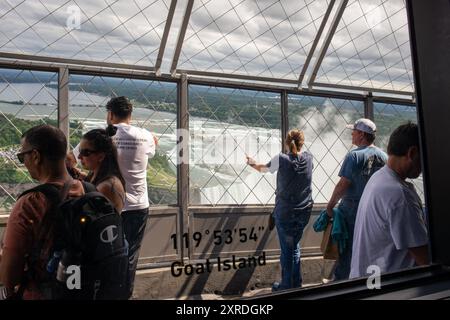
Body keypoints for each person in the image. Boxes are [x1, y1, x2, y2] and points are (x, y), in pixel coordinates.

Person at [0, 125, 84, 299]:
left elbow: (9, 276)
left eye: (22, 157)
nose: (23, 162)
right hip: (82, 288)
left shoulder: (31, 203)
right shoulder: (88, 191)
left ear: (36, 156)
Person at [350, 122, 429, 278]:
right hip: (388, 286)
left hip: (367, 280)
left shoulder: (378, 178)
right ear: (412, 153)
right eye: (424, 156)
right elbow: (425, 258)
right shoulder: (400, 195)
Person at [246, 129, 313, 291]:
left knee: (287, 251)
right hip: (304, 212)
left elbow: (263, 169)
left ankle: (286, 286)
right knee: (294, 246)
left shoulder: (281, 159)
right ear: (302, 142)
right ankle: (296, 283)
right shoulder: (309, 158)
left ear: (286, 142)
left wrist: (251, 162)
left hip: (286, 212)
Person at [105, 96, 156, 298]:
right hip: (139, 206)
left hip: (111, 205)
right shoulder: (145, 135)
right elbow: (152, 149)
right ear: (130, 115)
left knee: (107, 255)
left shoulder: (103, 136)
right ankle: (125, 294)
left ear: (110, 115)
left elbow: (77, 158)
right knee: (130, 255)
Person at [326, 118, 387, 281]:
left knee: (347, 249)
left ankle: (342, 286)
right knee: (370, 249)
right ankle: (368, 284)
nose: (351, 134)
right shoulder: (384, 157)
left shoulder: (354, 156)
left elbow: (343, 184)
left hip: (352, 210)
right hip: (375, 210)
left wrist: (330, 205)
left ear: (361, 134)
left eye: (354, 131)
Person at [77, 126, 126, 213]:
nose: (79, 157)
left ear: (101, 156)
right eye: (79, 151)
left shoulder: (106, 186)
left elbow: (87, 213)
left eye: (85, 152)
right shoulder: (100, 177)